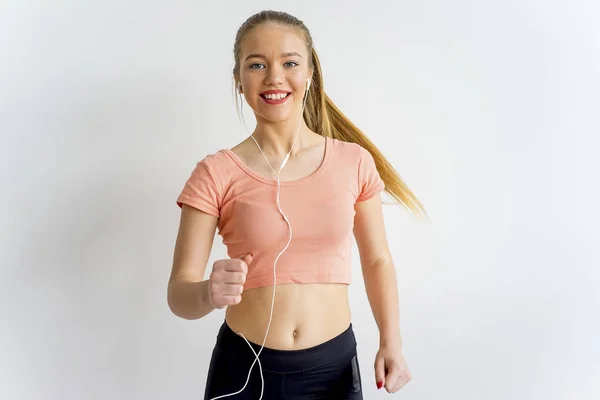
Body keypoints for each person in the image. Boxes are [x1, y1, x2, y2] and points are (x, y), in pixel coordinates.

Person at [168, 10, 426, 400]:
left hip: (333, 373)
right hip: (243, 371)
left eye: (290, 62)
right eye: (257, 64)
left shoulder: (353, 162)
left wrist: (392, 342)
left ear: (309, 74)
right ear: (238, 80)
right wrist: (207, 292)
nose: (274, 77)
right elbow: (178, 294)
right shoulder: (215, 172)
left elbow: (378, 261)